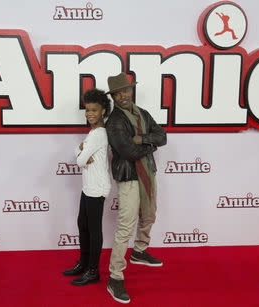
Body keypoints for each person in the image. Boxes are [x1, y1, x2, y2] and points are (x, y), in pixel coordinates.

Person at [105, 72, 167, 303]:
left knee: (149, 215)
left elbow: (163, 136)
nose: (123, 95)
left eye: (126, 90)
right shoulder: (115, 121)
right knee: (126, 225)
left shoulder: (143, 113)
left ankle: (139, 251)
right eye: (118, 92)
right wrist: (151, 145)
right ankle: (115, 277)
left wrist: (142, 140)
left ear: (131, 91)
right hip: (129, 177)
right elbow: (127, 152)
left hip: (148, 173)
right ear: (113, 96)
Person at [62, 88, 111, 286]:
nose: (89, 114)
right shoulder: (92, 134)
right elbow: (80, 153)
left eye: (94, 110)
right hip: (87, 187)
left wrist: (82, 154)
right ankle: (83, 263)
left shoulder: (98, 134)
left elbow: (80, 161)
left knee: (93, 230)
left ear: (103, 112)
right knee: (83, 225)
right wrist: (81, 152)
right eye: (87, 110)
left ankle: (93, 271)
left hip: (97, 188)